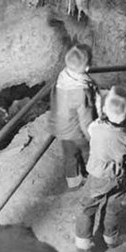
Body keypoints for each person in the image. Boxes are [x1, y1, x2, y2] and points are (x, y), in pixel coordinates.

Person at [74, 86, 126, 252]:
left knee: (87, 207)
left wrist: (99, 103)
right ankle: (110, 239)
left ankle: (84, 245)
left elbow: (91, 125)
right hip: (122, 177)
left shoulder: (97, 129)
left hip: (99, 176)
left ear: (104, 110)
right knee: (112, 208)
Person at [48, 44, 99, 189]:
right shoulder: (80, 90)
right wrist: (91, 135)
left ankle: (73, 180)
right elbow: (85, 117)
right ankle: (93, 175)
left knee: (70, 155)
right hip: (75, 130)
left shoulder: (63, 76)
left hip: (62, 126)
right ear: (86, 66)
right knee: (89, 151)